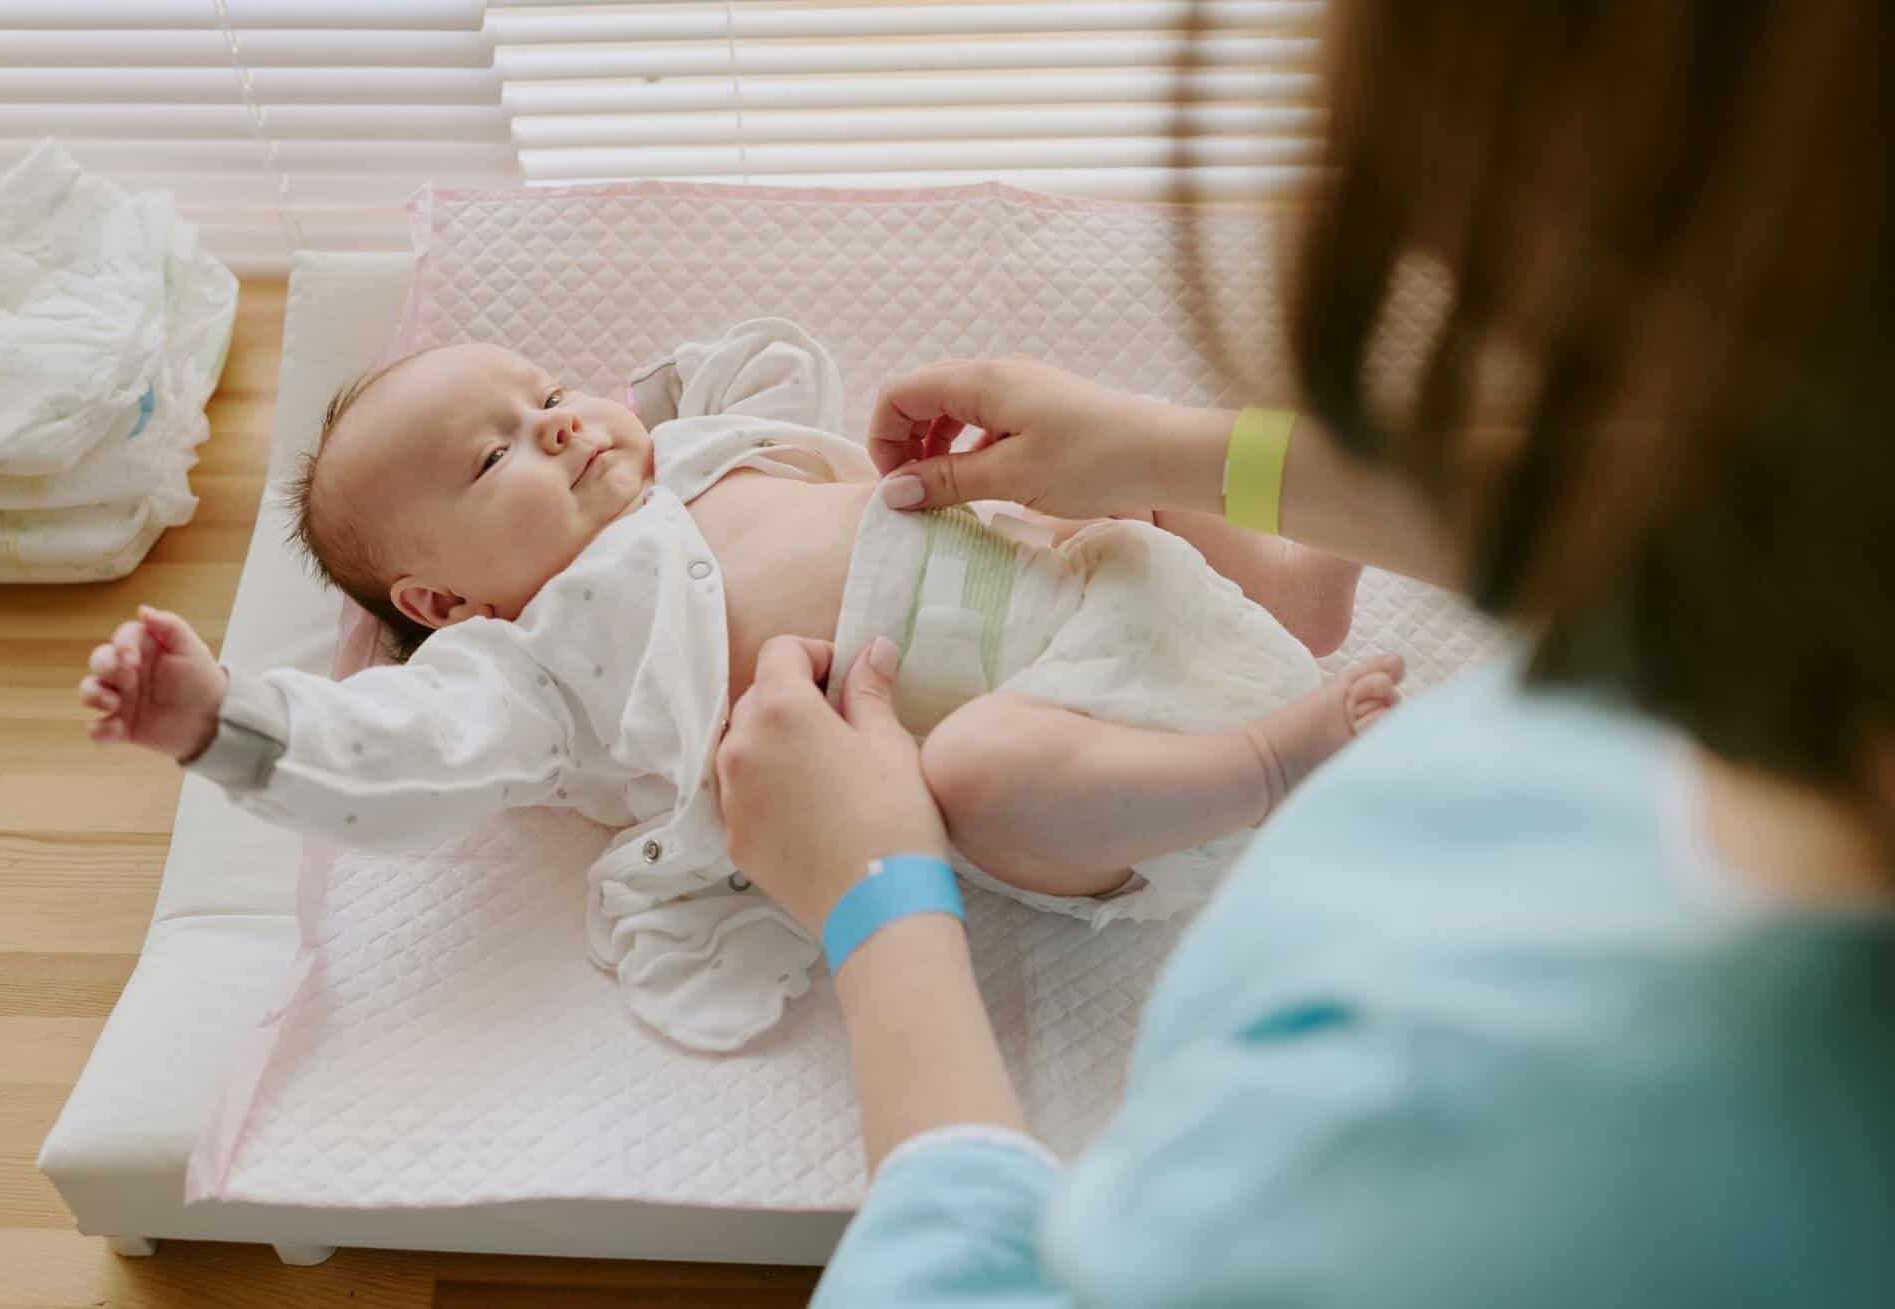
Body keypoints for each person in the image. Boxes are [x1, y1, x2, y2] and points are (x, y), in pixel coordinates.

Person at [711, 3, 1894, 1304]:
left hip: (1128, 763)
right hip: (1140, 648)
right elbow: (1699, 511)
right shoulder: (1794, 592)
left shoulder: (1483, 1125)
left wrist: (878, 899)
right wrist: (1173, 454)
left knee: (987, 769)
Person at [75, 317, 1396, 1052]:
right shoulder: (535, 665)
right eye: (493, 458)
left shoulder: (691, 452)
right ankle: (1266, 766)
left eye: (547, 391)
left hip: (1111, 578)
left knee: (1121, 483)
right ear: (443, 604)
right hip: (1080, 752)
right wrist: (223, 721)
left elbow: (757, 361)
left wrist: (634, 405)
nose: (560, 423)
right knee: (969, 774)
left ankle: (1296, 591)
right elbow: (401, 755)